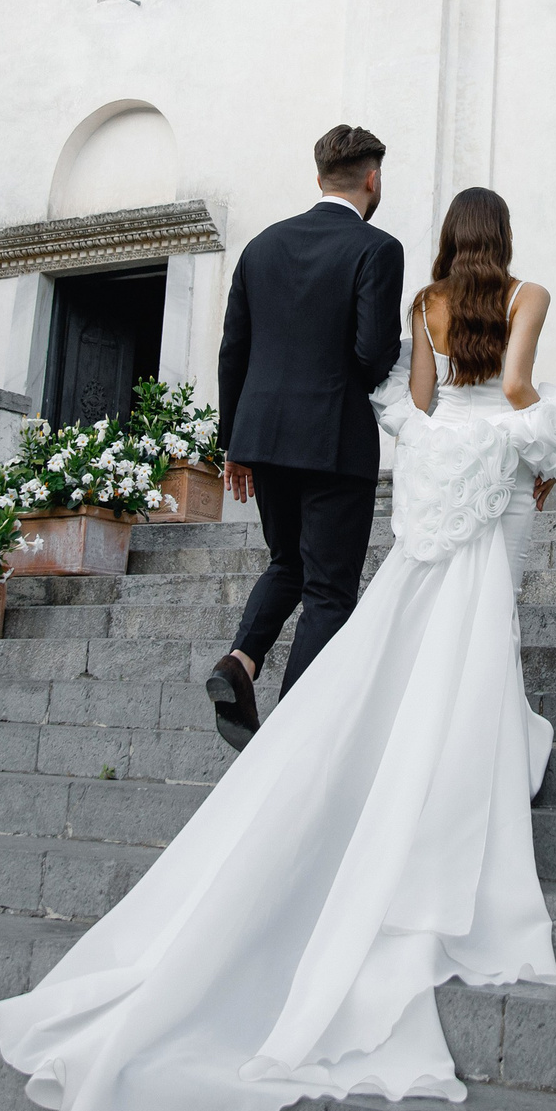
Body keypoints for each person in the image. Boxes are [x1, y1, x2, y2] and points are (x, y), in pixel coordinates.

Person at [0, 185, 556, 1111]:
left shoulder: (428, 302)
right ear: (507, 239)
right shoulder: (531, 294)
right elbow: (519, 390)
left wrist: (455, 447)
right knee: (492, 620)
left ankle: (428, 743)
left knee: (438, 622)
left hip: (448, 471)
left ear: (448, 240)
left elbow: (425, 405)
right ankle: (470, 763)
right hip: (506, 477)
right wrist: (555, 438)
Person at [203, 124, 405, 749]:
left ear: (320, 178)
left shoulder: (260, 248)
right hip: (334, 440)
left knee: (287, 562)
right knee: (329, 588)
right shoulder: (377, 248)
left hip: (262, 438)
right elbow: (373, 354)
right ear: (373, 178)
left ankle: (240, 660)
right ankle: (291, 734)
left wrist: (233, 441)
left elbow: (233, 348)